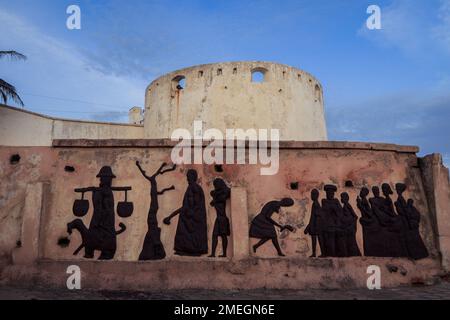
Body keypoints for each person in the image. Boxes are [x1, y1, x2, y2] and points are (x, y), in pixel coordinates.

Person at [163, 169, 208, 256]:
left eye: (189, 177)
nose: (187, 179)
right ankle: (185, 250)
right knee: (184, 234)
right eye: (187, 177)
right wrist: (170, 216)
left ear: (193, 177)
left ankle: (192, 250)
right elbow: (186, 206)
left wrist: (191, 213)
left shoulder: (194, 188)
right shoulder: (191, 187)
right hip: (188, 215)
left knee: (187, 234)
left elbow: (195, 204)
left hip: (192, 217)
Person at [208, 178, 231, 258]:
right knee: (215, 235)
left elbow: (227, 192)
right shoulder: (216, 193)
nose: (215, 186)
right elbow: (212, 193)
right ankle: (213, 253)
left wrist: (215, 200)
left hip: (223, 218)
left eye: (216, 184)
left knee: (223, 236)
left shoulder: (224, 193)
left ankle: (224, 254)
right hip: (218, 218)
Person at [340, 192, 361, 257]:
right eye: (341, 197)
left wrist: (350, 223)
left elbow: (355, 216)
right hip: (348, 227)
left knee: (351, 241)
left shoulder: (348, 205)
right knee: (349, 241)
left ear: (346, 198)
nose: (341, 199)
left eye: (342, 197)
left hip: (350, 227)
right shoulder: (345, 206)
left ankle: (355, 254)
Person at [304, 189, 324, 257]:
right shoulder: (316, 203)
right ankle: (315, 253)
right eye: (311, 194)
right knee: (316, 239)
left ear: (316, 195)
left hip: (316, 224)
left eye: (313, 194)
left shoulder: (315, 204)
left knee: (317, 239)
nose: (311, 196)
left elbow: (313, 216)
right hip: (316, 224)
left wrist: (308, 227)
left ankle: (317, 253)